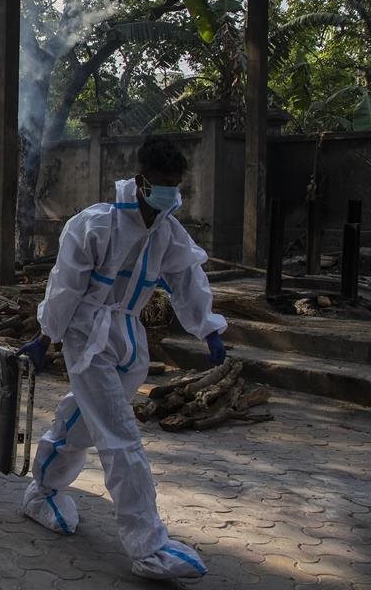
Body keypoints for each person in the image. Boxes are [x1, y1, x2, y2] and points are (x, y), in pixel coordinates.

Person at [15, 136, 226, 580]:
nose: (169, 192)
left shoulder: (167, 230)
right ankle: (147, 545)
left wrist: (208, 327)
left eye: (175, 184)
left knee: (87, 417)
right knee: (120, 435)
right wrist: (46, 336)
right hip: (86, 336)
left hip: (129, 335)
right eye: (162, 183)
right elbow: (65, 288)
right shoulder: (93, 225)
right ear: (141, 179)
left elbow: (188, 279)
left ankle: (43, 489)